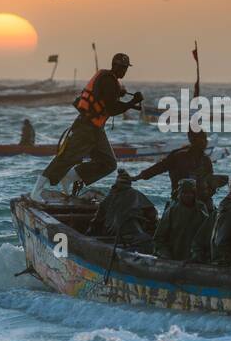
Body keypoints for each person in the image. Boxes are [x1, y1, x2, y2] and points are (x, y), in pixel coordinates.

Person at [32, 52, 143, 200]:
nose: (124, 71)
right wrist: (132, 103)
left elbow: (107, 98)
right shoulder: (109, 81)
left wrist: (121, 95)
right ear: (114, 66)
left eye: (126, 68)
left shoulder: (111, 81)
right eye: (122, 67)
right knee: (66, 158)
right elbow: (112, 109)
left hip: (96, 130)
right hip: (85, 128)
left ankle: (69, 177)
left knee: (108, 163)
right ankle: (36, 191)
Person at [137, 128, 216, 199]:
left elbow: (211, 182)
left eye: (205, 139)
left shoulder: (206, 160)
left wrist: (210, 190)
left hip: (200, 199)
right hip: (179, 199)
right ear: (191, 139)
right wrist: (139, 176)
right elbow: (159, 167)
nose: (204, 142)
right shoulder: (178, 156)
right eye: (201, 139)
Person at [85, 170, 156, 245]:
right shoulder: (137, 194)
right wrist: (151, 228)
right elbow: (152, 215)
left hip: (112, 235)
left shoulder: (108, 198)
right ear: (129, 184)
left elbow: (97, 220)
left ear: (116, 183)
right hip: (133, 234)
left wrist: (88, 234)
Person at [154, 178, 209, 261]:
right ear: (179, 193)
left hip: (195, 257)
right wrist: (165, 255)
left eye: (191, 193)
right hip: (173, 256)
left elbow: (207, 235)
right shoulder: (172, 210)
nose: (188, 195)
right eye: (184, 192)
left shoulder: (201, 209)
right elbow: (159, 238)